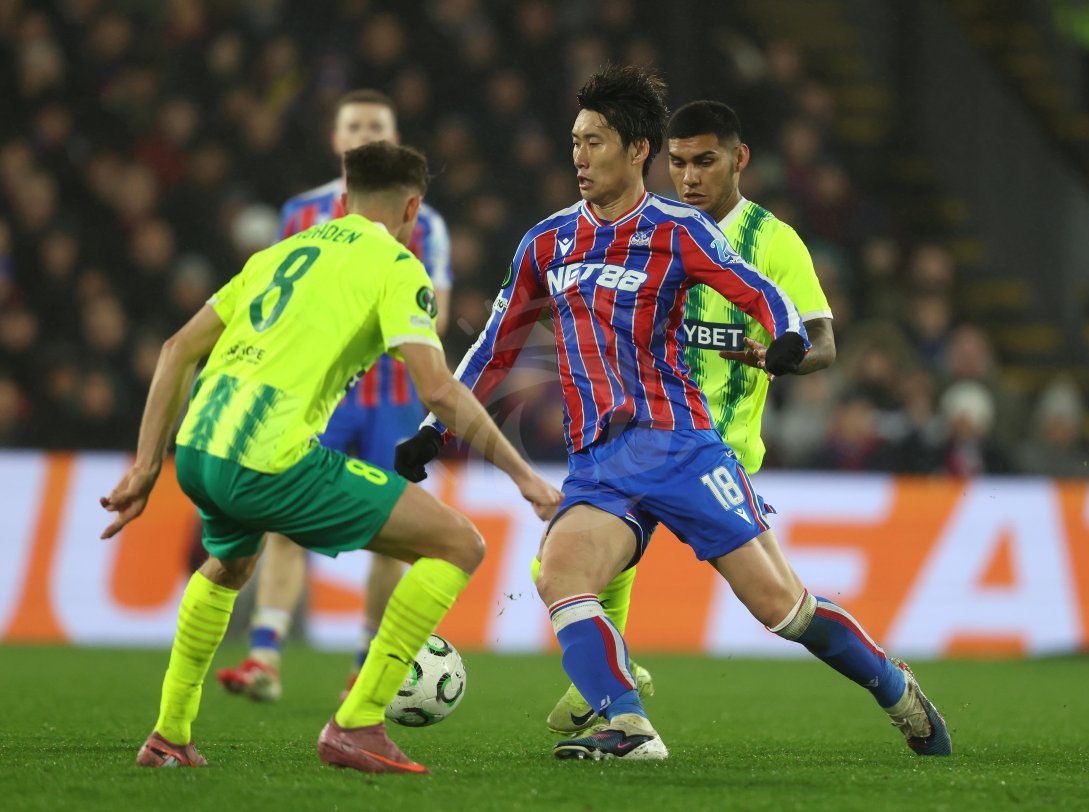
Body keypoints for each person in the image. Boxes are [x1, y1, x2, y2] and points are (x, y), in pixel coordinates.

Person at [396, 65, 950, 761]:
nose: (579, 157)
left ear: (637, 151)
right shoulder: (546, 242)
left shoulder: (676, 229)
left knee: (783, 609)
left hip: (679, 445)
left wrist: (785, 336)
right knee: (559, 574)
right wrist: (434, 428)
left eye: (595, 142)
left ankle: (894, 687)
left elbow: (758, 291)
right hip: (599, 460)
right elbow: (493, 347)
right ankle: (629, 726)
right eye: (574, 142)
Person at [101, 142, 561, 774]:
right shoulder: (397, 266)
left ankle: (168, 736)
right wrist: (524, 474)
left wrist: (146, 466)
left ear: (343, 201)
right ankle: (358, 723)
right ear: (413, 209)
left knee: (230, 565)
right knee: (459, 544)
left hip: (199, 449)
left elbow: (177, 348)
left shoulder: (278, 253)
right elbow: (436, 389)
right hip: (268, 458)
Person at [542, 99, 838, 734]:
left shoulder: (772, 241)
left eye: (704, 162)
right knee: (574, 565)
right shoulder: (650, 231)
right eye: (678, 163)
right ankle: (616, 696)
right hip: (642, 434)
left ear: (739, 159)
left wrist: (783, 356)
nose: (689, 177)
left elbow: (823, 342)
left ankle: (613, 690)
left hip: (714, 445)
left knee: (780, 604)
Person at [216, 89, 453, 702]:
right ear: (335, 138)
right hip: (320, 396)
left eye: (377, 125)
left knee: (391, 534)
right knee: (284, 523)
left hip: (393, 400)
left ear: (395, 140)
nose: (365, 134)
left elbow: (438, 313)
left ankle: (363, 667)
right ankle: (265, 656)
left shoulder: (424, 222)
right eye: (355, 125)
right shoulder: (300, 212)